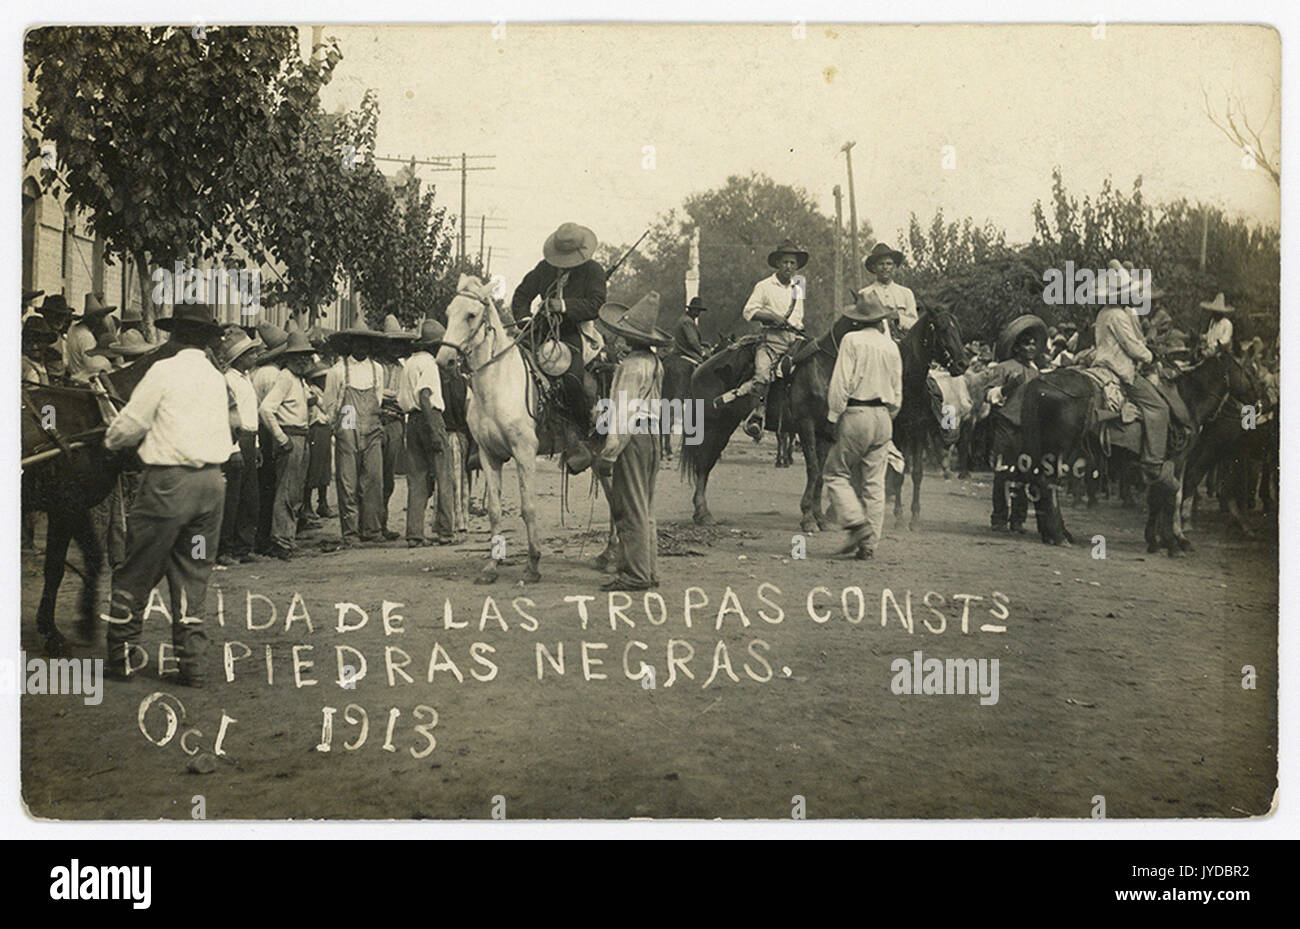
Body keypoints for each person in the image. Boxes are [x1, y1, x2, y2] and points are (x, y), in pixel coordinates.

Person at [101, 301, 230, 686]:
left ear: (174, 335)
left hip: (168, 488)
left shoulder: (163, 370)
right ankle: (193, 664)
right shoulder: (215, 377)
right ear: (205, 339)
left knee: (138, 568)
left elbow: (131, 424)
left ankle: (122, 656)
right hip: (210, 489)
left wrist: (110, 440)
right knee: (194, 572)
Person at [510, 222, 606, 472]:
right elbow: (521, 295)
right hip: (541, 329)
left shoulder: (593, 271)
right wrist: (524, 320)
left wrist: (563, 306)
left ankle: (581, 438)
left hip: (573, 332)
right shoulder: (544, 268)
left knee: (573, 379)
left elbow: (596, 304)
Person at [594, 293, 670, 591]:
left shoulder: (630, 366)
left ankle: (635, 574)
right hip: (651, 435)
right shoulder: (654, 362)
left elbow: (623, 412)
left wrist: (610, 453)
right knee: (646, 506)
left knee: (630, 506)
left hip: (633, 437)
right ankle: (648, 570)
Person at [823, 291, 903, 559]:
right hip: (884, 416)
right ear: (881, 320)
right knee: (875, 484)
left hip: (857, 412)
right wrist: (887, 416)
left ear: (857, 320)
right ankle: (869, 546)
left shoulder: (851, 340)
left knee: (835, 473)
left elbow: (840, 383)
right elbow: (897, 392)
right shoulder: (891, 347)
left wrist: (833, 416)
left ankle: (856, 524)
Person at [1093, 267, 1174, 486]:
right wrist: (1150, 355)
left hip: (1102, 364)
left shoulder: (1103, 313)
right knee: (1159, 407)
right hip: (1120, 369)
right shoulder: (1119, 315)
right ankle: (1153, 462)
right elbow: (1132, 346)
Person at [322, 325, 388, 546]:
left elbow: (378, 399)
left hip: (372, 426)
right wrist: (338, 430)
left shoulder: (377, 369)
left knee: (374, 480)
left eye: (365, 342)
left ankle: (371, 529)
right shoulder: (338, 371)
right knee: (348, 482)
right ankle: (350, 533)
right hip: (347, 426)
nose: (362, 347)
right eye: (357, 342)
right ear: (349, 344)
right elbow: (330, 403)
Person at [258, 330, 318, 560]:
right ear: (288, 358)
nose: (303, 360)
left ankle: (287, 537)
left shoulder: (298, 380)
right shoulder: (285, 377)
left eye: (306, 356)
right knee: (286, 490)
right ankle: (281, 540)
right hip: (291, 435)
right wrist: (281, 438)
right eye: (298, 356)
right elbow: (266, 409)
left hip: (302, 434)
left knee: (295, 491)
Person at [741, 238, 808, 439]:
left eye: (792, 263)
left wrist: (795, 327)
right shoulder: (764, 286)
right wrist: (771, 316)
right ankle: (757, 415)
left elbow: (799, 316)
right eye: (785, 262)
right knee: (762, 375)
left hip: (794, 340)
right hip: (771, 340)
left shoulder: (799, 286)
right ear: (778, 263)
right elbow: (748, 311)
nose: (788, 266)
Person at [989, 315, 1046, 532]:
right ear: (1016, 347)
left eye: (1033, 344)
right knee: (1002, 472)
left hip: (1029, 429)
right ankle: (999, 517)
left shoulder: (1036, 373)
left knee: (1024, 473)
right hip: (1006, 425)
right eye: (1026, 344)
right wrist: (1006, 389)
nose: (1030, 348)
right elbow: (989, 395)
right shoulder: (1003, 368)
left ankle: (1018, 519)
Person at [400, 319, 454, 547]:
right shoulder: (430, 364)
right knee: (444, 476)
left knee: (417, 479)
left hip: (412, 421)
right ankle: (446, 531)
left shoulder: (409, 363)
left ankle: (414, 533)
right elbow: (425, 396)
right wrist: (433, 431)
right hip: (430, 417)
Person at [217, 327, 263, 566]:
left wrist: (256, 445)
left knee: (249, 497)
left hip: (249, 438)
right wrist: (233, 448)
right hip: (235, 439)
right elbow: (228, 417)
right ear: (240, 357)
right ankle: (225, 549)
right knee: (232, 498)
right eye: (251, 354)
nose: (255, 357)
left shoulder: (246, 379)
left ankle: (243, 546)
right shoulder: (228, 380)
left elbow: (251, 414)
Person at [250, 323, 289, 555]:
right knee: (270, 485)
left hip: (259, 429)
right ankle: (266, 537)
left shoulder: (259, 372)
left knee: (263, 484)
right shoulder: (274, 375)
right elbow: (270, 410)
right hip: (268, 430)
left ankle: (261, 535)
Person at [379, 314, 416, 537]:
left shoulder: (402, 369)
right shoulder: (375, 366)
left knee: (388, 476)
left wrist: (389, 396)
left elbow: (404, 397)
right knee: (371, 475)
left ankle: (381, 523)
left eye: (398, 344)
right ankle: (370, 524)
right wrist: (389, 396)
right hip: (376, 421)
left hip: (395, 422)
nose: (394, 348)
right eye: (391, 343)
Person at [859, 242, 917, 334]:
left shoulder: (906, 293)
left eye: (889, 264)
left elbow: (915, 324)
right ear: (874, 268)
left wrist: (898, 318)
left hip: (902, 340)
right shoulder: (864, 293)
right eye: (881, 264)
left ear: (894, 267)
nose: (885, 267)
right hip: (874, 340)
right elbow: (859, 324)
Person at [64, 294, 117, 380]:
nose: (99, 320)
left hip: (74, 374)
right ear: (90, 318)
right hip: (83, 379)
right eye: (97, 316)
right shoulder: (86, 336)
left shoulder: (73, 328)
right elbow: (93, 365)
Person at [22, 315, 58, 384]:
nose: (34, 346)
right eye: (30, 342)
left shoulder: (40, 365)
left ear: (46, 343)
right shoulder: (27, 367)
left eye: (39, 341)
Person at [673, 296, 710, 363]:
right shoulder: (687, 321)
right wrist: (702, 352)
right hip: (686, 352)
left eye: (699, 311)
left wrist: (704, 344)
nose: (698, 313)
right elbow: (693, 341)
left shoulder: (684, 319)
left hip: (683, 351)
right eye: (696, 310)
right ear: (691, 309)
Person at [1200, 292, 1235, 357]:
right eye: (1213, 312)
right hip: (1210, 349)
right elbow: (1210, 335)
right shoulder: (1213, 322)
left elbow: (1224, 341)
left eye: (1216, 313)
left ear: (1221, 313)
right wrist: (1203, 337)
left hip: (1222, 351)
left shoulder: (1227, 324)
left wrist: (1213, 346)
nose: (1213, 314)